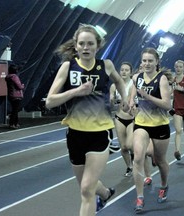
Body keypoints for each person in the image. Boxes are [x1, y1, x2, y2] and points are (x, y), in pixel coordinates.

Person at [45, 24, 129, 216]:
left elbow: (119, 81)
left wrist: (125, 98)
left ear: (97, 46)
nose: (85, 47)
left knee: (85, 190)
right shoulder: (68, 67)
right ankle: (106, 193)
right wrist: (77, 91)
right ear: (75, 45)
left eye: (90, 44)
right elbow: (50, 101)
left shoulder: (105, 65)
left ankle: (99, 195)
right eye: (81, 43)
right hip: (75, 134)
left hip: (100, 132)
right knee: (86, 185)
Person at [129, 47, 171, 213]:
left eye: (150, 61)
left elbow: (167, 105)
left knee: (160, 160)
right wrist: (130, 103)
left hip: (160, 125)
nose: (146, 64)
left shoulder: (161, 80)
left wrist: (147, 96)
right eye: (144, 61)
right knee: (138, 157)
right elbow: (132, 97)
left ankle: (164, 185)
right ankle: (140, 197)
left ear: (156, 62)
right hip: (141, 123)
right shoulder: (136, 78)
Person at [109, 62, 134, 177]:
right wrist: (111, 100)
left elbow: (131, 98)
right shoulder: (114, 86)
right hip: (119, 118)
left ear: (131, 72)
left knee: (129, 145)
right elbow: (111, 103)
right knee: (123, 147)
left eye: (126, 70)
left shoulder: (134, 84)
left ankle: (135, 157)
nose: (123, 72)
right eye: (122, 70)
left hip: (132, 118)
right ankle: (129, 166)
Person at [5, 64, 25, 129]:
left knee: (15, 110)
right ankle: (12, 124)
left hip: (11, 95)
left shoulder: (8, 77)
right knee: (15, 111)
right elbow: (19, 86)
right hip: (17, 95)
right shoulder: (14, 77)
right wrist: (22, 86)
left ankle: (15, 123)